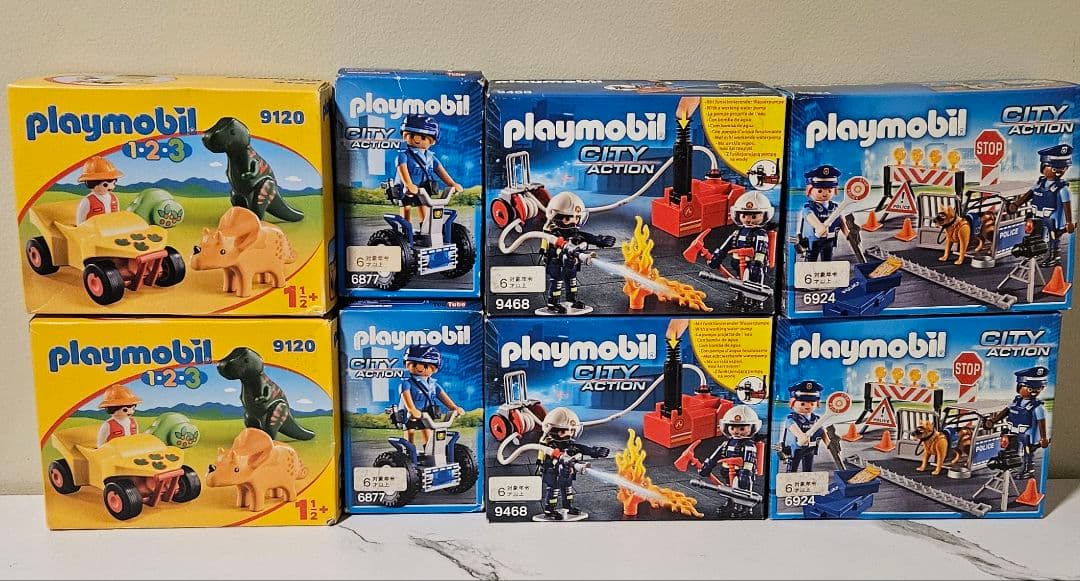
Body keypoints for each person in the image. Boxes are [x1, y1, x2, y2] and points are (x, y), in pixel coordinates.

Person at [538, 191, 616, 314]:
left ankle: (572, 300)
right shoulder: (553, 235)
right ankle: (552, 303)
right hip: (557, 263)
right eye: (568, 218)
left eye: (576, 217)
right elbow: (553, 248)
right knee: (557, 283)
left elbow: (586, 236)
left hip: (572, 262)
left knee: (572, 281)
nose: (574, 221)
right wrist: (562, 252)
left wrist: (600, 240)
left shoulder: (574, 232)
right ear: (556, 217)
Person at [535, 407, 609, 521]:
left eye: (571, 430)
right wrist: (556, 462)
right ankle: (549, 510)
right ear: (552, 430)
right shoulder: (549, 448)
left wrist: (594, 451)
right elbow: (549, 460)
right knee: (553, 491)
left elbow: (580, 448)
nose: (569, 434)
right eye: (563, 431)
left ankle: (568, 507)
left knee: (568, 490)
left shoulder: (569, 445)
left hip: (567, 473)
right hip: (553, 473)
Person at [1010, 144, 1075, 267]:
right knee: (1036, 234)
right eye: (1054, 169)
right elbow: (1030, 193)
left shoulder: (1062, 188)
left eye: (1063, 169)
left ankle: (1054, 256)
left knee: (1054, 236)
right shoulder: (1040, 183)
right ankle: (1036, 252)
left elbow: (1067, 204)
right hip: (1038, 215)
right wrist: (1017, 204)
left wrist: (1069, 222)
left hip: (1052, 218)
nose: (1059, 173)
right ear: (1043, 167)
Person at [709, 191, 774, 309]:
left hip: (752, 264)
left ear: (764, 215)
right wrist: (716, 258)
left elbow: (761, 250)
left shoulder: (760, 234)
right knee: (739, 281)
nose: (748, 220)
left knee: (754, 282)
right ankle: (739, 297)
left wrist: (757, 264)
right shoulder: (737, 233)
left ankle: (755, 302)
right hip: (738, 263)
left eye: (754, 216)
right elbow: (725, 247)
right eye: (744, 216)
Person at [394, 115, 462, 227]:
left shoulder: (430, 157)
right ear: (405, 135)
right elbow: (402, 169)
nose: (417, 139)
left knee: (423, 206)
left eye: (423, 137)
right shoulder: (403, 155)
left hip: (423, 187)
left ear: (432, 141)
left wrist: (452, 184)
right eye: (412, 135)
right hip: (407, 188)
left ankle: (424, 228)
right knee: (406, 207)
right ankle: (405, 230)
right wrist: (408, 184)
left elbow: (440, 170)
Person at [985, 366, 1050, 479]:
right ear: (1019, 387)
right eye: (1030, 389)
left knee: (1028, 452)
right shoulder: (1016, 401)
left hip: (1027, 434)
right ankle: (1011, 465)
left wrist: (1043, 438)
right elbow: (1006, 411)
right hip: (1013, 431)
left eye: (1039, 389)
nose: (1034, 392)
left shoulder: (1037, 407)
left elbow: (1041, 422)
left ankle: (1028, 470)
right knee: (1011, 449)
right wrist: (993, 421)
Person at [396, 344, 464, 449]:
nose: (419, 367)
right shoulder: (406, 383)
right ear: (407, 364)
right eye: (414, 364)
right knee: (410, 431)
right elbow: (406, 397)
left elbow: (443, 396)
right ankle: (408, 452)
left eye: (424, 365)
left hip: (427, 413)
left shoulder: (433, 384)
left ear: (434, 368)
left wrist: (453, 407)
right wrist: (412, 410)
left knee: (428, 432)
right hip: (411, 414)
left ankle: (429, 451)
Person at [699, 405, 760, 493]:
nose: (736, 431)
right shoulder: (726, 444)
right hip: (727, 472)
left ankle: (744, 497)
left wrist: (745, 473)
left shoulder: (748, 445)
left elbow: (749, 461)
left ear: (752, 428)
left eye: (742, 428)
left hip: (741, 473)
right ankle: (730, 497)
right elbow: (715, 456)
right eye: (732, 428)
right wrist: (706, 467)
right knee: (729, 488)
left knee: (743, 490)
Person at [799, 165, 849, 261]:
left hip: (829, 239)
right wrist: (818, 226)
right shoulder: (809, 206)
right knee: (810, 260)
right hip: (813, 240)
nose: (825, 193)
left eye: (829, 190)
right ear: (809, 189)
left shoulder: (835, 207)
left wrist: (848, 234)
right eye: (820, 190)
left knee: (827, 260)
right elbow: (810, 216)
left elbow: (841, 221)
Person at [782, 380, 832, 472]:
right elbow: (793, 428)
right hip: (796, 448)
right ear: (792, 402)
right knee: (792, 468)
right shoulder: (792, 418)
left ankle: (808, 478)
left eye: (812, 403)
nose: (808, 406)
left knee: (808, 468)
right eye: (802, 403)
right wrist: (801, 436)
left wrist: (828, 443)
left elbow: (821, 431)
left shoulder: (816, 419)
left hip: (810, 448)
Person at [75, 156, 122, 225]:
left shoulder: (114, 198)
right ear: (91, 183)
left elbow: (117, 215)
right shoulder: (87, 201)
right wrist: (80, 229)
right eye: (105, 185)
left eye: (114, 183)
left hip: (111, 228)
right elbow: (80, 220)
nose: (111, 187)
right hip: (93, 229)